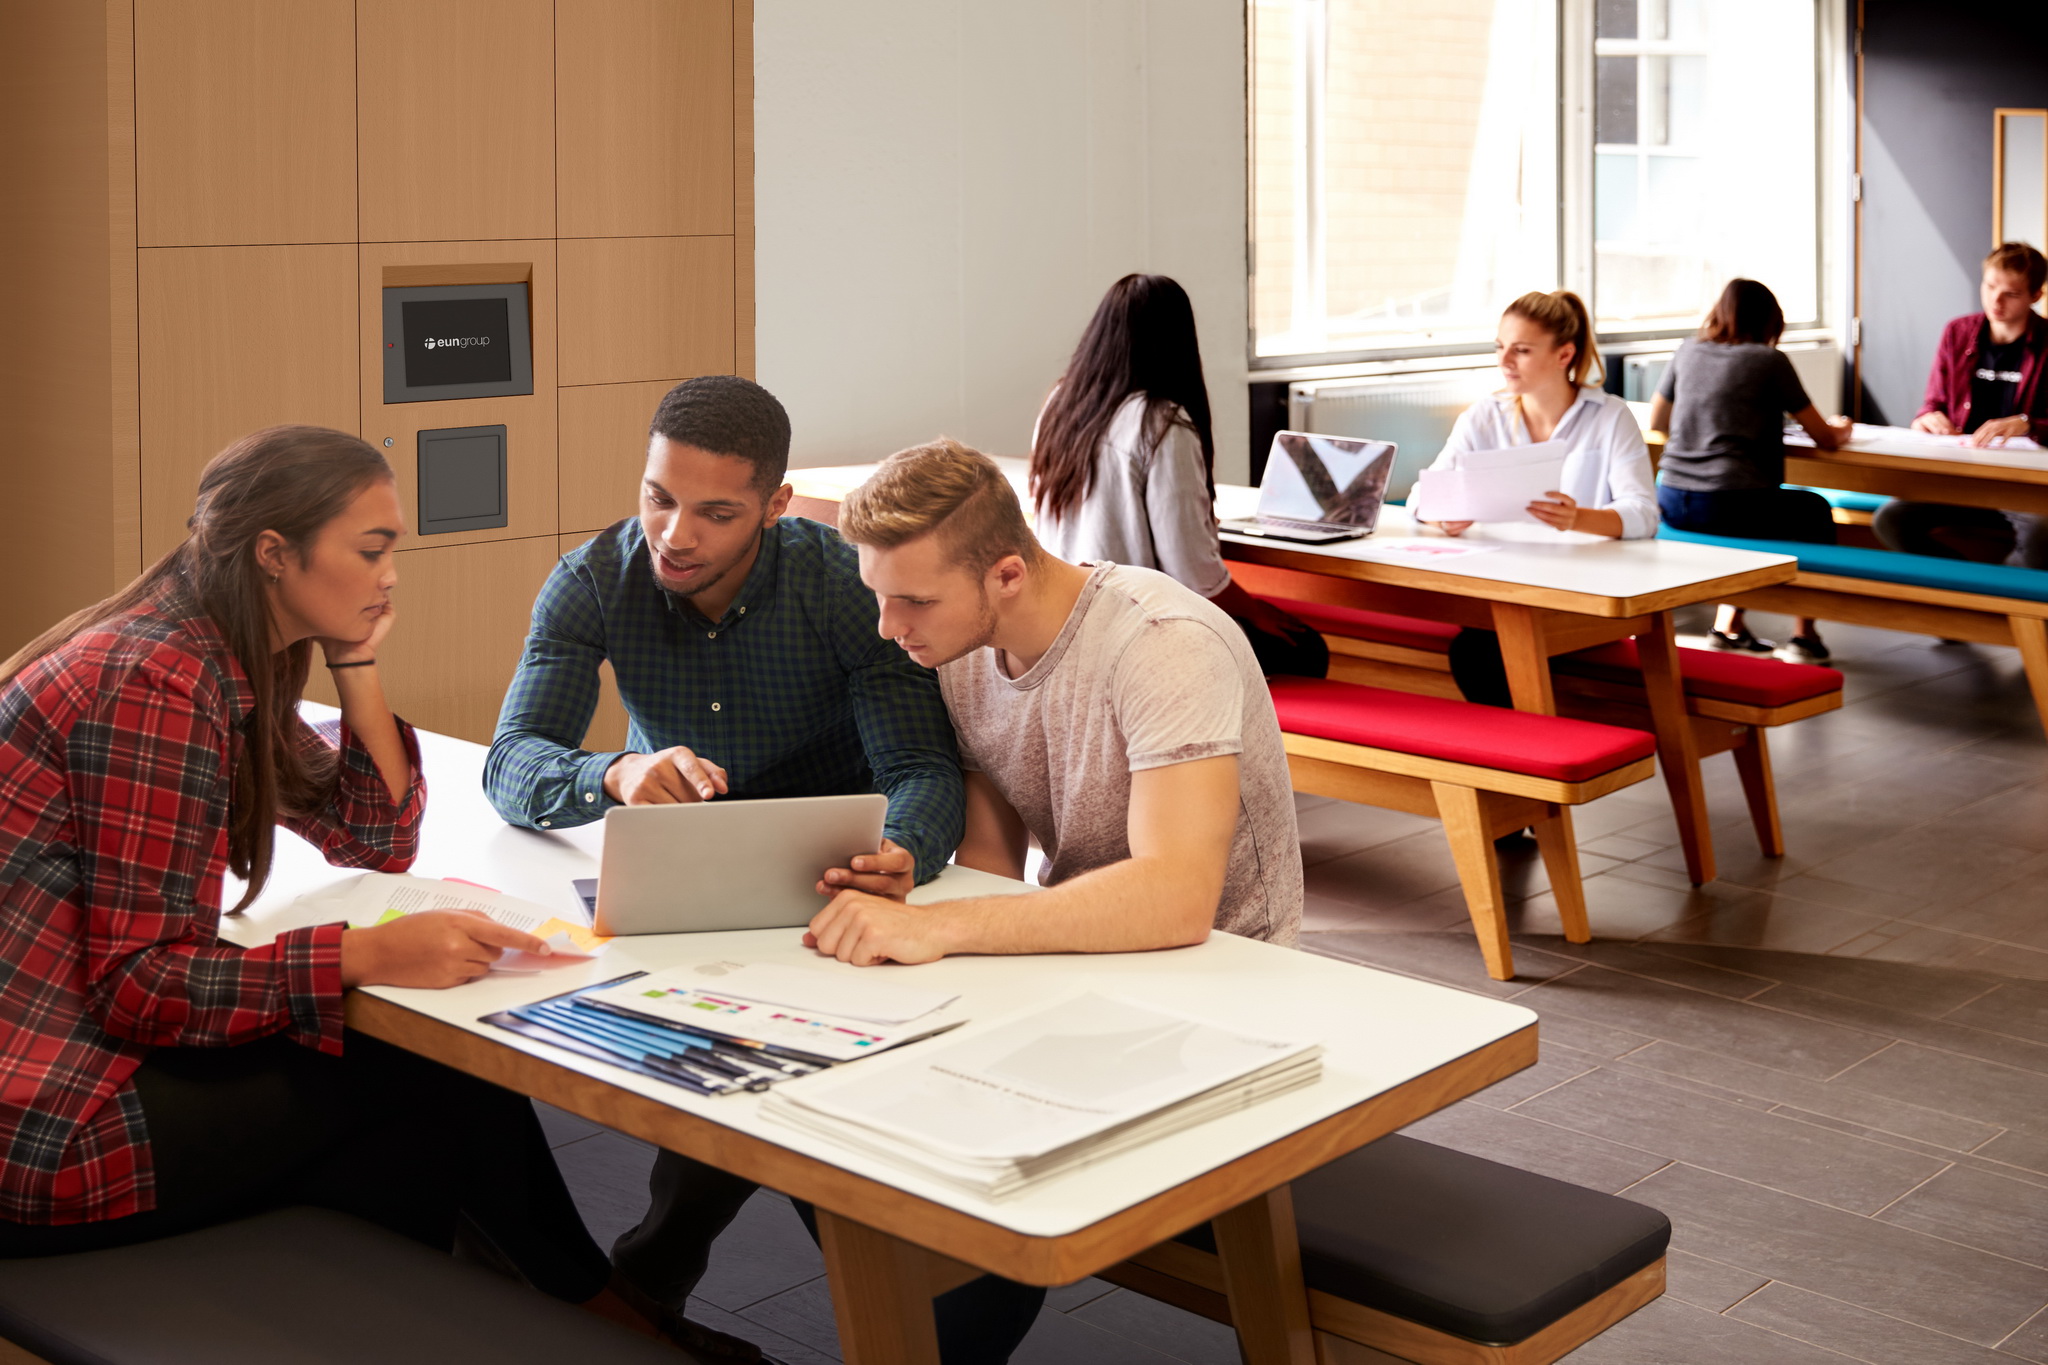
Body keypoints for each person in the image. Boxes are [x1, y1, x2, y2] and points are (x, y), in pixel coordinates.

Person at [0, 427, 674, 1344]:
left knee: (404, 1109)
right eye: (372, 548)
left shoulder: (211, 644)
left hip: (58, 1070)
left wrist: (355, 658)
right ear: (276, 554)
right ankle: (591, 1313)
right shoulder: (152, 684)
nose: (391, 572)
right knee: (418, 1086)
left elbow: (372, 835)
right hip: (41, 1129)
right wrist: (364, 952)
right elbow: (141, 984)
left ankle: (567, 1309)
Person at [486, 376, 965, 1360]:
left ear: (775, 507)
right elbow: (511, 761)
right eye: (658, 496)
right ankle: (638, 1283)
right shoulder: (591, 580)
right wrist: (613, 771)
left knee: (773, 1082)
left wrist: (902, 852)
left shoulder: (839, 583)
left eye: (714, 512)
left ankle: (655, 1281)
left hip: (828, 867)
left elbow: (919, 769)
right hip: (683, 866)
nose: (673, 533)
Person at [810, 436, 1303, 1363]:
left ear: (1004, 572)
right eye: (880, 595)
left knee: (984, 1211)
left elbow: (1176, 897)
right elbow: (996, 860)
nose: (887, 626)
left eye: (909, 599)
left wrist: (942, 930)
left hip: (1220, 988)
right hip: (1081, 963)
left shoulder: (1164, 646)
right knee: (838, 1112)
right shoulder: (957, 644)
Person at [1031, 273, 1329, 678]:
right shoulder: (1161, 422)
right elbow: (1192, 573)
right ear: (1177, 342)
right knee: (1307, 649)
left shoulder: (1061, 403)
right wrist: (1258, 611)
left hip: (1061, 619)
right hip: (1135, 629)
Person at [1411, 290, 1659, 705]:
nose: (1505, 361)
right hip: (1501, 589)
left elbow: (1643, 513)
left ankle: (1518, 762)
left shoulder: (1610, 417)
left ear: (1564, 355)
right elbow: (1424, 494)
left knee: (1479, 652)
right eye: (1500, 347)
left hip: (1579, 594)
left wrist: (1578, 518)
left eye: (1521, 351)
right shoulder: (1483, 416)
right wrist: (1442, 516)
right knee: (1476, 647)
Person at [1648, 277, 1853, 663]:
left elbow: (1659, 420)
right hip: (1730, 504)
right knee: (1814, 511)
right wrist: (1841, 428)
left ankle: (1730, 627)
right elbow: (1823, 436)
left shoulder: (1688, 351)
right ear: (1770, 322)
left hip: (1672, 498)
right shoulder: (1768, 360)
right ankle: (1804, 637)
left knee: (1760, 516)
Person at [1874, 241, 2048, 570]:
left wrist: (2027, 423)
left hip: (2024, 483)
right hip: (1960, 475)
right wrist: (1926, 419)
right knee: (1890, 520)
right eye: (1990, 286)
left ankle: (2001, 603)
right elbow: (1931, 405)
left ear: (2035, 296)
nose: (1995, 301)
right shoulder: (1958, 333)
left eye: (2011, 294)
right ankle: (1969, 590)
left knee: (2042, 533)